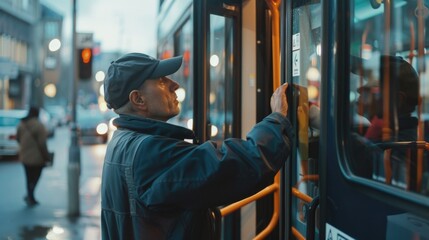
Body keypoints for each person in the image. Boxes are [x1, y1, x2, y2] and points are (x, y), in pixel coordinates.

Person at [101, 52, 294, 239]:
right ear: (138, 99)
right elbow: (237, 165)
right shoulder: (148, 153)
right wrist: (277, 119)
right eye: (161, 80)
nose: (174, 84)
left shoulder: (121, 142)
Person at [16, 106, 50, 206]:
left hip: (24, 156)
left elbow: (18, 138)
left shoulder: (21, 124)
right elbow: (42, 144)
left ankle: (30, 196)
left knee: (28, 177)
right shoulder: (39, 126)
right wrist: (47, 156)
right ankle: (31, 196)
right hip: (37, 157)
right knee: (35, 177)